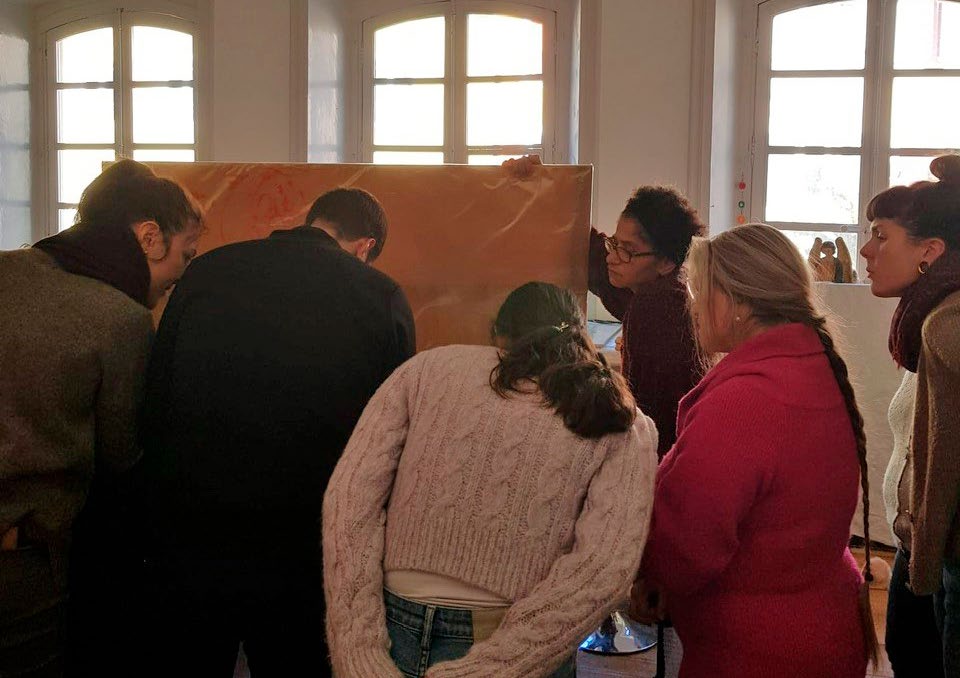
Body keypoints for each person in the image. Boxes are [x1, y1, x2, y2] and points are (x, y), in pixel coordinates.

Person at [138, 187, 415, 677]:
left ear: (315, 219)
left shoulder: (207, 272)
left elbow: (156, 402)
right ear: (365, 246)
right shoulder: (380, 296)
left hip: (194, 536)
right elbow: (392, 437)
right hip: (304, 547)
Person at [323, 282, 659, 678]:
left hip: (392, 619)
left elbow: (349, 502)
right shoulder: (619, 416)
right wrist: (497, 667)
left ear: (497, 333)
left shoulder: (425, 371)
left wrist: (359, 649)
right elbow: (604, 569)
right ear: (579, 334)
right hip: (515, 640)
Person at [634, 223, 874, 677]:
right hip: (818, 626)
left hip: (758, 650)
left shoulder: (746, 400)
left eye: (698, 291)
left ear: (737, 302)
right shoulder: (809, 364)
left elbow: (689, 543)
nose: (692, 306)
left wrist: (650, 574)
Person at [0, 159, 202, 678]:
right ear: (150, 237)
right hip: (19, 567)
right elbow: (121, 457)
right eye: (185, 255)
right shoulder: (121, 319)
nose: (178, 277)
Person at [502, 156, 704, 458]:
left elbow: (646, 420)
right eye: (615, 242)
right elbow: (593, 250)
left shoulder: (659, 307)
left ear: (665, 261)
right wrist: (537, 183)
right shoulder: (657, 287)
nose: (612, 257)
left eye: (628, 251)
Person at [861, 154, 960, 677]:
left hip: (945, 560)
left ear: (930, 252)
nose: (866, 250)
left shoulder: (945, 324)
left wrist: (927, 564)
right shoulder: (926, 317)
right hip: (919, 546)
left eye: (881, 235)